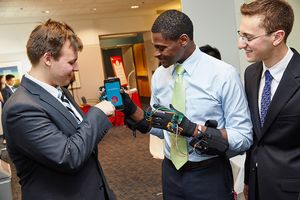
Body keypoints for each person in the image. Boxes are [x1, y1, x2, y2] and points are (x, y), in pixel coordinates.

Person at [122, 10, 253, 200]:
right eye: (155, 47)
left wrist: (194, 130)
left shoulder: (223, 75)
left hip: (209, 174)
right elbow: (163, 129)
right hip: (171, 173)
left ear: (183, 40)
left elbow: (244, 136)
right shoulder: (160, 76)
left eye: (162, 48)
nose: (156, 54)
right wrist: (134, 111)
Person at [2, 19, 116, 200]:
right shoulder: (21, 108)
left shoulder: (60, 90)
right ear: (48, 59)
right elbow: (68, 156)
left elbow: (79, 137)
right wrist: (97, 113)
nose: (77, 67)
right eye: (72, 62)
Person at [238, 0, 300, 200]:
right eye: (240, 35)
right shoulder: (251, 74)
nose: (241, 44)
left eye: (248, 37)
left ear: (277, 37)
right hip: (257, 187)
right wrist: (248, 179)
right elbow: (257, 138)